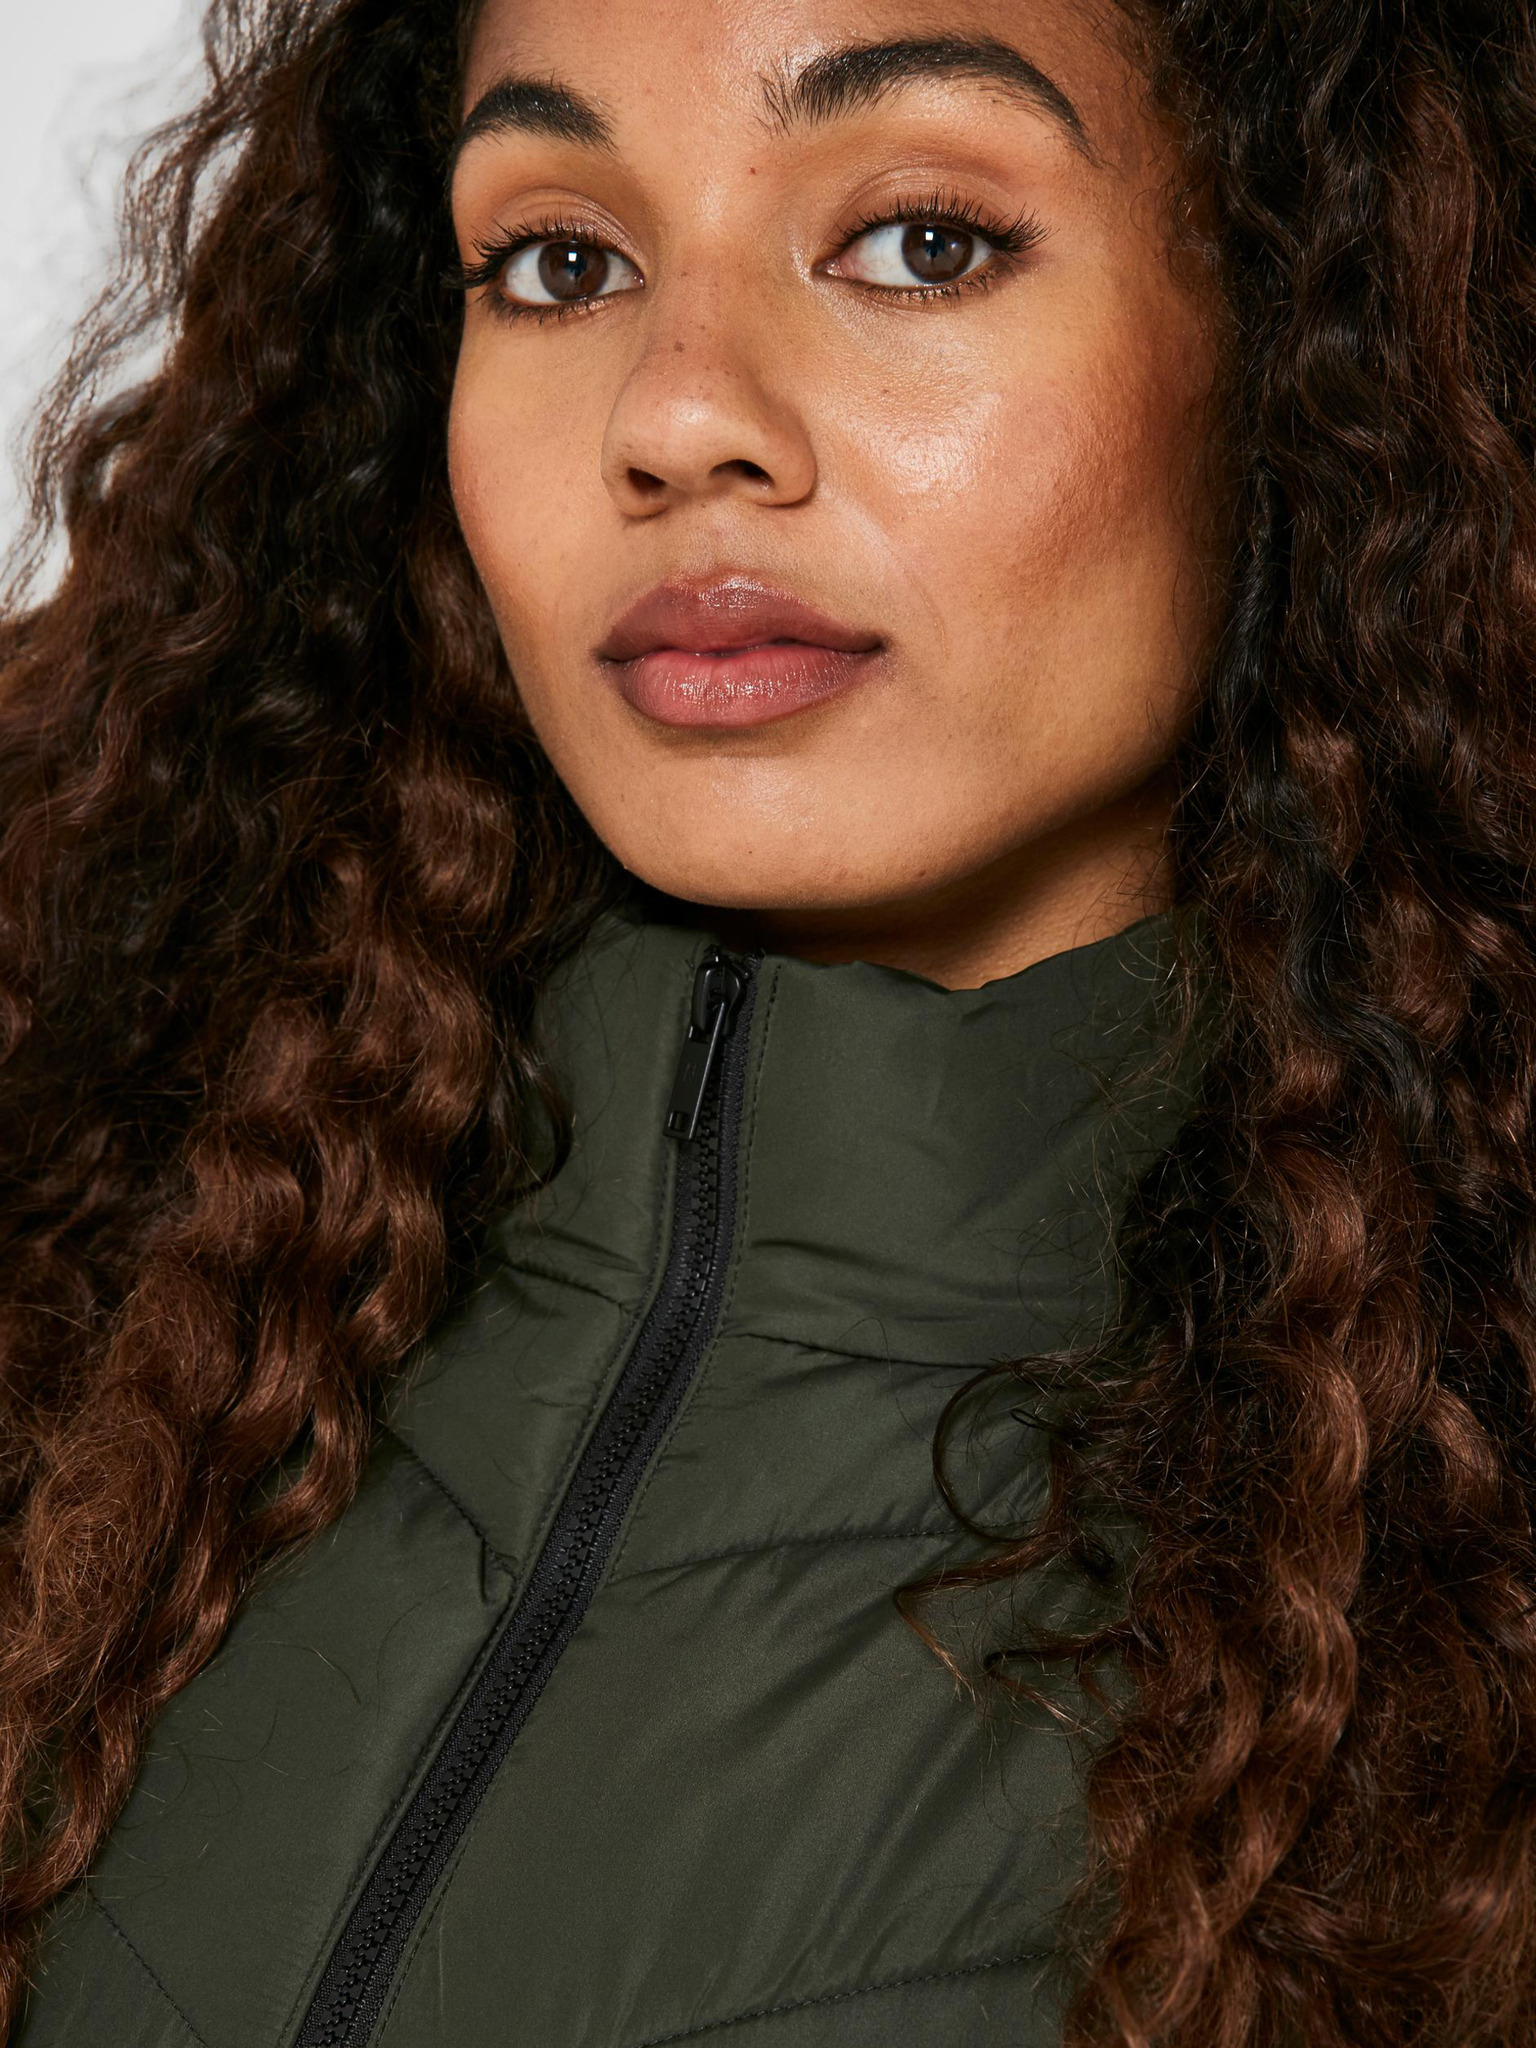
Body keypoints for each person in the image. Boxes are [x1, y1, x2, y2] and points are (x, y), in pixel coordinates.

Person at [1, 0, 1532, 2041]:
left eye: (919, 241)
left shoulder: (1460, 1627)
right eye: (563, 261)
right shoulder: (107, 1284)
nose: (678, 413)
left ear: (1308, 334)